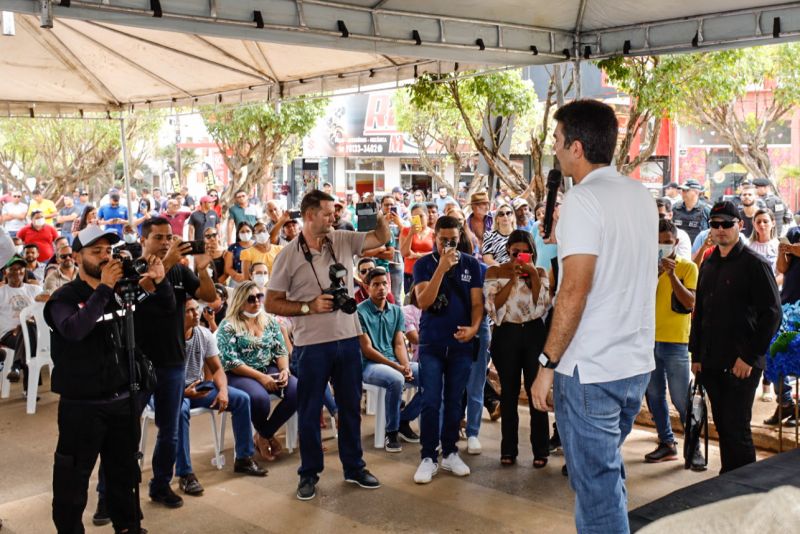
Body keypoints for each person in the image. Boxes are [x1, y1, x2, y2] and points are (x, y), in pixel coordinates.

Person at [529, 100, 658, 533]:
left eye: (557, 141)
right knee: (607, 476)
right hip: (634, 366)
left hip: (590, 371)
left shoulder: (583, 200)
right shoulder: (639, 195)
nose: (554, 149)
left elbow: (574, 291)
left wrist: (547, 364)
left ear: (577, 148)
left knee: (597, 489)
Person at [45, 225, 172, 534]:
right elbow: (75, 330)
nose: (105, 257)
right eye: (95, 252)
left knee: (124, 478)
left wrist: (159, 280)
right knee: (72, 483)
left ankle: (129, 527)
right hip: (81, 408)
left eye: (108, 251)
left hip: (121, 402)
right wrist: (103, 289)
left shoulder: (120, 292)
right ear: (76, 257)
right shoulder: (63, 299)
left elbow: (164, 309)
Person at [266, 189, 390, 500]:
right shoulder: (288, 256)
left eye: (333, 212)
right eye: (326, 212)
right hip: (312, 346)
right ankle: (309, 474)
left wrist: (377, 215)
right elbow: (271, 302)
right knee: (309, 412)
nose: (332, 216)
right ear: (309, 216)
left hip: (348, 339)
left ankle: (354, 466)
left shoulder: (343, 239)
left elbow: (379, 237)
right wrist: (308, 306)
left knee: (350, 408)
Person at [689, 201, 782, 474]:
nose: (720, 230)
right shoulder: (708, 262)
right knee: (724, 425)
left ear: (740, 225)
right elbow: (700, 311)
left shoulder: (755, 264)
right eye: (715, 224)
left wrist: (750, 357)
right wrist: (696, 355)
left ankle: (742, 490)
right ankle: (728, 480)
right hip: (711, 362)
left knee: (737, 428)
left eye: (726, 224)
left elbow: (772, 315)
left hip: (742, 364)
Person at [135, 217, 217, 509]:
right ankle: (111, 494)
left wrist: (204, 268)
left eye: (170, 237)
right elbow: (137, 298)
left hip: (172, 362)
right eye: (159, 237)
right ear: (143, 239)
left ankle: (161, 486)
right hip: (138, 363)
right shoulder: (133, 268)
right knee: (125, 431)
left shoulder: (181, 270)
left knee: (169, 430)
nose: (167, 242)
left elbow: (210, 298)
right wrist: (167, 263)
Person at [412, 215, 484, 484]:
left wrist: (475, 328)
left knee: (455, 401)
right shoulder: (423, 264)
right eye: (444, 240)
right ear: (435, 237)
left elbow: (477, 303)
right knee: (431, 400)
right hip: (432, 342)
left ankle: (450, 452)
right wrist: (441, 269)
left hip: (461, 344)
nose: (449, 244)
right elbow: (424, 301)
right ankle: (428, 456)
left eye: (453, 240)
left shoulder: (471, 265)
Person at [175, 298, 266, 496]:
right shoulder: (169, 339)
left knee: (241, 399)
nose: (196, 314)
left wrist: (223, 390)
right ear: (178, 315)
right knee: (179, 412)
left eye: (195, 310)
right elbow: (158, 378)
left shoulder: (204, 334)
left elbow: (217, 369)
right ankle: (185, 474)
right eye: (189, 311)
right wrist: (182, 392)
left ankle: (243, 458)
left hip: (197, 387)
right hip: (172, 391)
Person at [484, 230, 551, 467]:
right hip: (506, 333)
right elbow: (492, 307)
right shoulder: (495, 271)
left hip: (534, 333)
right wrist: (512, 280)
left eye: (525, 253)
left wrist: (532, 274)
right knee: (509, 395)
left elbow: (542, 306)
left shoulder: (539, 272)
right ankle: (508, 450)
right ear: (508, 250)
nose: (519, 257)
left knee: (537, 393)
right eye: (515, 252)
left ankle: (541, 450)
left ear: (532, 253)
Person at [644, 219, 704, 469]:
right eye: (658, 242)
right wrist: (655, 273)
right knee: (654, 396)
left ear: (676, 243)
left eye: (667, 243)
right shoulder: (644, 268)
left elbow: (690, 302)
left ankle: (694, 447)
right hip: (647, 341)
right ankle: (666, 442)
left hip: (676, 342)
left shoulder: (688, 267)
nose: (662, 247)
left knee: (682, 399)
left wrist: (671, 274)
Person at [357, 267, 421, 452]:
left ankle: (404, 420)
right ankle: (391, 431)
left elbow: (399, 344)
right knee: (396, 379)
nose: (381, 288)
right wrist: (398, 368)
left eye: (384, 283)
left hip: (395, 362)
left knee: (432, 375)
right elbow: (367, 350)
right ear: (367, 287)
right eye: (376, 284)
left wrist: (406, 365)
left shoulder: (396, 311)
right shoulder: (359, 312)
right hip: (370, 365)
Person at [0, 255, 43, 389]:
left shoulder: (34, 289)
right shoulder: (1, 292)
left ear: (24, 271)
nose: (17, 272)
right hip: (9, 334)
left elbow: (43, 311)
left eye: (20, 269)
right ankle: (29, 389)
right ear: (5, 272)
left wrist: (25, 324)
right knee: (29, 340)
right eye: (12, 269)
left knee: (28, 327)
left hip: (33, 331)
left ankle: (16, 366)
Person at [362, 195, 405, 302]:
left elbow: (391, 253)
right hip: (374, 267)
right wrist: (379, 250)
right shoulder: (373, 223)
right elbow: (362, 252)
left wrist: (399, 223)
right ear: (381, 206)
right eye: (386, 205)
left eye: (392, 205)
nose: (389, 207)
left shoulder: (401, 221)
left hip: (395, 265)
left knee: (394, 298)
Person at [399, 203, 434, 291]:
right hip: (410, 273)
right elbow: (404, 253)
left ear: (427, 215)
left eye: (421, 216)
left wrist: (417, 255)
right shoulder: (406, 231)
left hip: (428, 272)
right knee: (410, 301)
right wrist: (411, 233)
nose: (418, 219)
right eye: (415, 217)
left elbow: (437, 252)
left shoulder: (434, 233)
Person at [481, 202, 516, 266]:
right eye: (501, 214)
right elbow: (487, 259)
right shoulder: (489, 236)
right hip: (497, 272)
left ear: (513, 217)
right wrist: (503, 269)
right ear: (497, 219)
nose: (505, 216)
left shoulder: (520, 235)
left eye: (508, 213)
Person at [466, 191, 493, 255]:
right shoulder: (466, 224)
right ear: (474, 206)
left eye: (488, 204)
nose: (487, 208)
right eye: (484, 204)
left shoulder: (493, 220)